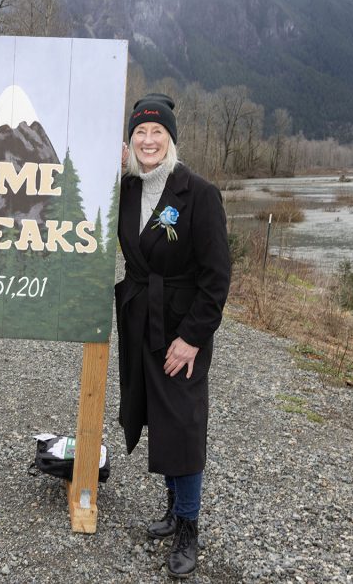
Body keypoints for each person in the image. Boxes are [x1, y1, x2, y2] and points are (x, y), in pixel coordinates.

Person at [115, 93, 230, 577]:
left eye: (156, 132)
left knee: (182, 422)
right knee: (154, 414)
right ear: (130, 141)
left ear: (171, 138)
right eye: (139, 132)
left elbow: (217, 276)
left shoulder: (198, 193)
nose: (148, 140)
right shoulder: (125, 189)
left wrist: (193, 338)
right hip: (141, 318)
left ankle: (188, 527)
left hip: (180, 327)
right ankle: (170, 509)